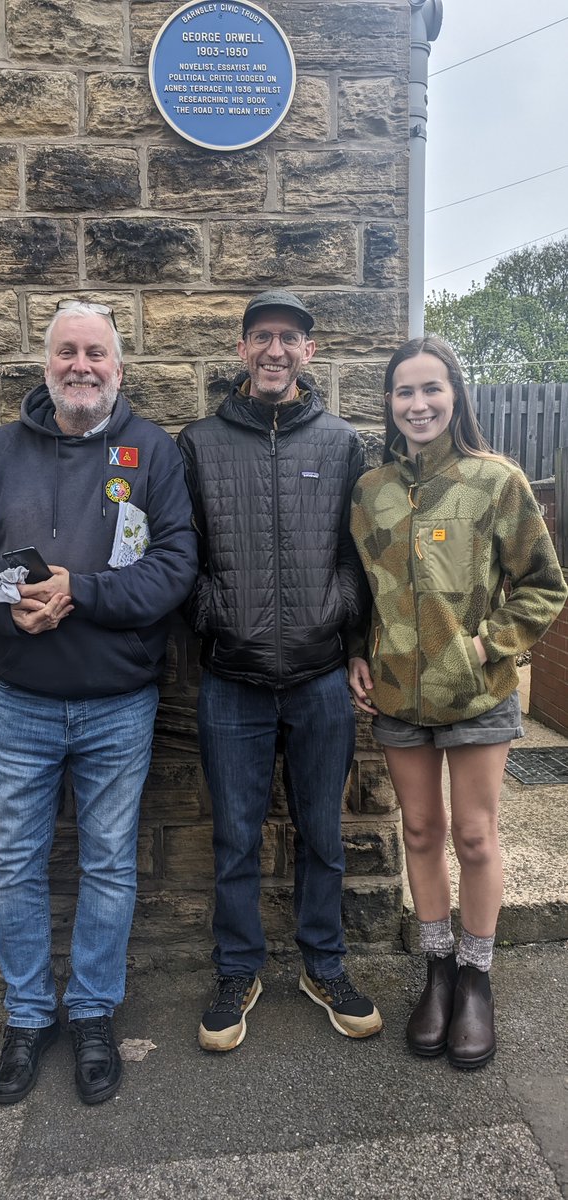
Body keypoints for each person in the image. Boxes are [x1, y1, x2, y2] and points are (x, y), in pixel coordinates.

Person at [0, 300, 197, 1105]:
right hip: (20, 700)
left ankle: (89, 1013)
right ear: (46, 364)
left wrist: (82, 591)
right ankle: (24, 1015)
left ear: (119, 367)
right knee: (15, 862)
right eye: (67, 352)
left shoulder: (151, 452)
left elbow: (176, 565)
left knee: (108, 863)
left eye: (97, 354)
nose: (82, 366)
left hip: (119, 701)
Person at [348, 335, 567, 1069]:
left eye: (430, 389)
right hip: (397, 697)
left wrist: (485, 646)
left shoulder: (495, 481)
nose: (417, 404)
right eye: (404, 391)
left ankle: (475, 978)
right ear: (389, 402)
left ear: (455, 395)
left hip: (476, 695)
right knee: (417, 832)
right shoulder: (370, 489)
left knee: (473, 836)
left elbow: (544, 584)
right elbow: (359, 590)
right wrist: (357, 649)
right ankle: (435, 971)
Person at [177, 288, 382, 1052]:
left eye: (288, 339)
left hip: (320, 676)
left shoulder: (341, 443)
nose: (273, 350)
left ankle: (322, 963)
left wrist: (342, 624)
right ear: (241, 349)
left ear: (308, 351)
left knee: (321, 832)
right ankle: (238, 969)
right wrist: (216, 616)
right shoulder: (197, 442)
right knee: (233, 836)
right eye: (260, 337)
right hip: (231, 677)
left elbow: (358, 556)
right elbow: (180, 554)